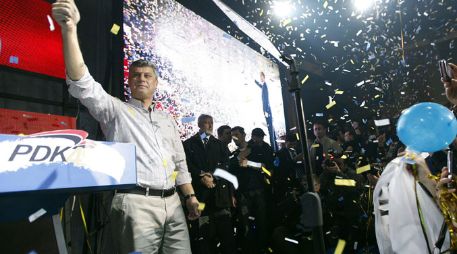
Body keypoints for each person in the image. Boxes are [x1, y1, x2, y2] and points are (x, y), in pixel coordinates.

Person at [52, 1, 200, 253]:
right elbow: (81, 81)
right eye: (135, 75)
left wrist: (190, 197)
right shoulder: (116, 110)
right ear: (129, 82)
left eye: (147, 75)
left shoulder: (166, 119)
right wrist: (70, 29)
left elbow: (180, 163)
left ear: (156, 84)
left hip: (174, 204)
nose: (141, 78)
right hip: (135, 204)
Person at [183, 115, 236, 254]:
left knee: (226, 234)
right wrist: (201, 175)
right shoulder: (188, 144)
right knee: (203, 233)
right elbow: (186, 165)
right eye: (206, 123)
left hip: (220, 198)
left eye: (211, 123)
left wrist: (213, 177)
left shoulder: (219, 145)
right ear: (199, 125)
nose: (210, 126)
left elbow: (226, 165)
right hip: (201, 198)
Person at [255, 72, 278, 151]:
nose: (260, 78)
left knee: (270, 130)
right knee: (271, 129)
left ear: (263, 77)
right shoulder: (264, 85)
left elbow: (266, 99)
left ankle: (274, 148)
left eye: (261, 77)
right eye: (260, 77)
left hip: (267, 110)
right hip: (267, 110)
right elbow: (262, 87)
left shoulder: (265, 84)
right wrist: (256, 82)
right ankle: (275, 147)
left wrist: (266, 112)